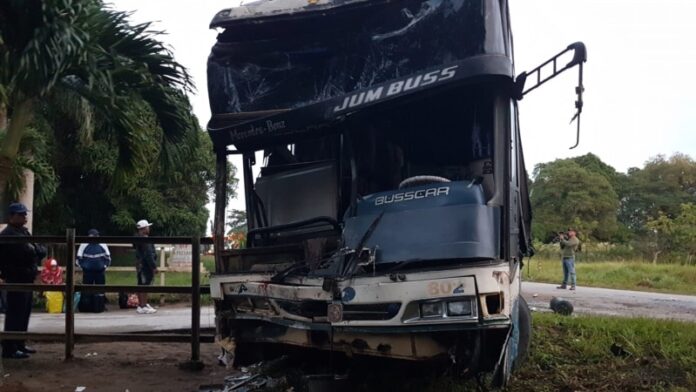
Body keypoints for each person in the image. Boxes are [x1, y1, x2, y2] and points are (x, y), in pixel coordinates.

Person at [0, 202, 46, 359]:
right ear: (11, 217)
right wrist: (34, 251)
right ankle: (9, 348)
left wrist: (35, 251)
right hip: (16, 277)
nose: (24, 217)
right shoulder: (8, 235)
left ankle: (20, 343)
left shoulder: (24, 232)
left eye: (24, 214)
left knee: (24, 312)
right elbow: (27, 253)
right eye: (20, 214)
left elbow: (40, 250)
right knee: (14, 313)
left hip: (27, 277)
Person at [76, 229, 110, 312]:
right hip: (88, 271)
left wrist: (104, 266)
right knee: (87, 289)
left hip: (100, 271)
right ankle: (87, 306)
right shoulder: (84, 244)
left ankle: (100, 306)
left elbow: (108, 257)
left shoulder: (102, 244)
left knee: (101, 289)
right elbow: (79, 258)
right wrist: (84, 267)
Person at [134, 219, 157, 314]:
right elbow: (149, 254)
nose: (149, 228)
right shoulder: (145, 240)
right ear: (143, 229)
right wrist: (154, 266)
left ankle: (141, 304)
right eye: (147, 227)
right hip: (145, 265)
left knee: (140, 284)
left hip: (140, 264)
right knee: (145, 285)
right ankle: (143, 305)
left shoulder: (138, 239)